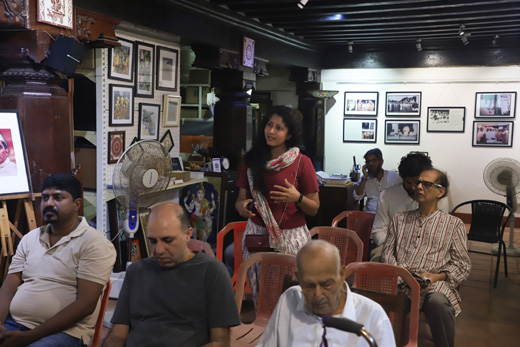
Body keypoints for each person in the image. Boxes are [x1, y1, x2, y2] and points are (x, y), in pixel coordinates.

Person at [0, 173, 116, 346]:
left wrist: (27, 338)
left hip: (65, 333)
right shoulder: (30, 238)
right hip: (15, 323)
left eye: (58, 197)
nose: (49, 203)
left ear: (77, 204)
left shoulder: (94, 243)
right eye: (46, 197)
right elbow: (8, 289)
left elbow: (85, 305)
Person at [103, 203, 240, 347]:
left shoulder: (212, 271)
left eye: (168, 240)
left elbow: (220, 341)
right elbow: (117, 335)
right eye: (153, 241)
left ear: (187, 234)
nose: (159, 250)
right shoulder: (136, 271)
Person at [235, 106, 320, 306]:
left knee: (293, 300)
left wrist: (297, 197)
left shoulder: (302, 163)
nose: (271, 131)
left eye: (279, 128)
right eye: (269, 125)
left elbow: (314, 208)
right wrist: (242, 207)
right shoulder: (251, 161)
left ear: (289, 134)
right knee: (263, 299)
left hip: (291, 239)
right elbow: (240, 200)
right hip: (257, 237)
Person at [382, 168, 471, 347]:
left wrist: (437, 277)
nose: (419, 187)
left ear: (440, 191)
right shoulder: (400, 219)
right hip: (402, 283)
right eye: (417, 183)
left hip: (434, 285)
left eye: (426, 184)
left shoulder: (453, 225)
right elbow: (387, 253)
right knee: (382, 304)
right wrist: (402, 274)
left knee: (439, 304)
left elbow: (462, 265)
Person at [258, 240, 395, 347]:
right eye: (309, 285)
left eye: (326, 285)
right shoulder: (288, 300)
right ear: (298, 278)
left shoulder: (373, 316)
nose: (318, 295)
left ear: (341, 275)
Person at [370, 153, 450, 261]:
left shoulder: (438, 197)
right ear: (402, 178)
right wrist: (398, 246)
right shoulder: (387, 196)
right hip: (392, 247)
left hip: (427, 251)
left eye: (417, 182)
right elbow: (378, 231)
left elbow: (441, 233)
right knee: (376, 261)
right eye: (408, 182)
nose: (414, 187)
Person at [353, 148, 401, 213]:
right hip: (370, 214)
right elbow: (357, 196)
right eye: (368, 161)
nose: (371, 164)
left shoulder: (394, 176)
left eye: (374, 161)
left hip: (389, 215)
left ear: (381, 162)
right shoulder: (365, 178)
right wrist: (364, 179)